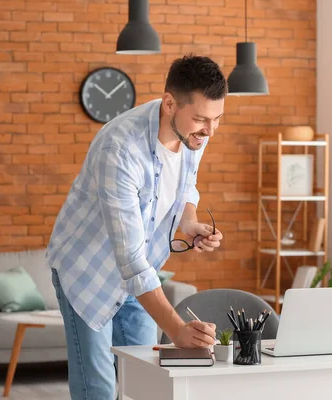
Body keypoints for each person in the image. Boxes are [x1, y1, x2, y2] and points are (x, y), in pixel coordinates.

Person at [46, 54, 227, 399]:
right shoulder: (120, 148)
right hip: (88, 272)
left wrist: (188, 222)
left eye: (218, 119)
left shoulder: (193, 133)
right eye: (202, 119)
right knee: (97, 388)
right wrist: (176, 329)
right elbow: (128, 259)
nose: (210, 129)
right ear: (170, 103)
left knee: (148, 381)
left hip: (141, 272)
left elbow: (187, 182)